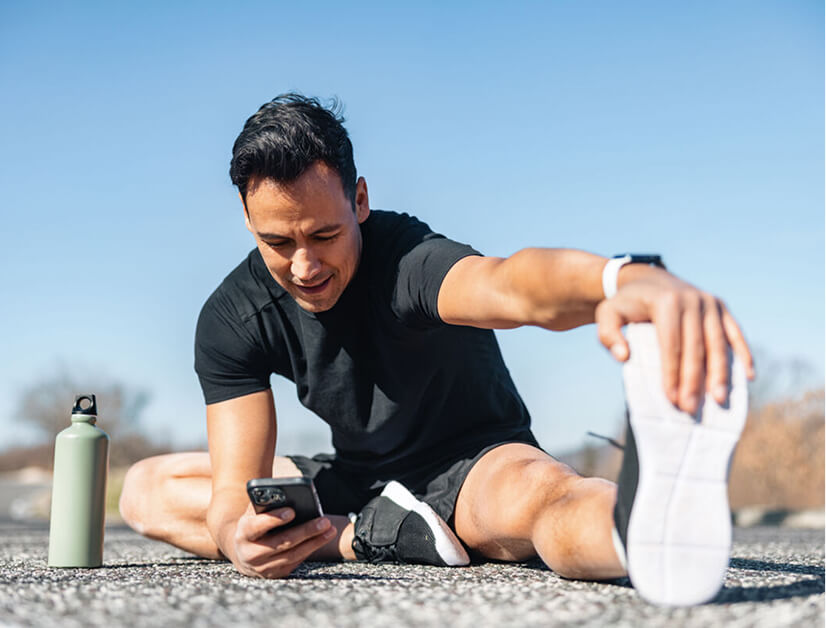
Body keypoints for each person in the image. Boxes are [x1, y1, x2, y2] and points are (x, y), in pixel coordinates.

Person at [119, 94, 754, 606]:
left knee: (546, 500)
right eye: (279, 243)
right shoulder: (232, 317)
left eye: (325, 234)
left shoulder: (410, 261)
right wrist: (240, 539)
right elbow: (234, 493)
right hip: (359, 482)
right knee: (147, 489)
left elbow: (511, 286)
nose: (305, 266)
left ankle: (640, 527)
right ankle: (373, 535)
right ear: (246, 215)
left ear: (359, 201)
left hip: (474, 463)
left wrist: (619, 279)